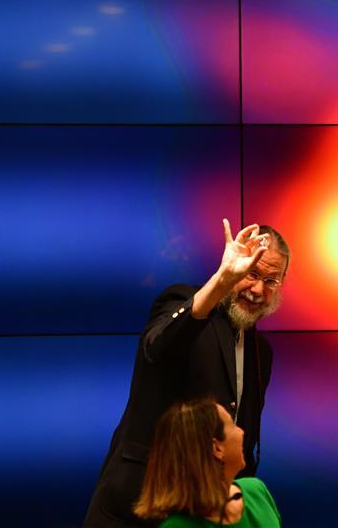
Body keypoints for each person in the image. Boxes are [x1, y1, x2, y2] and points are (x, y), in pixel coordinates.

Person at [85, 220, 289, 528]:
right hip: (141, 502)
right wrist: (221, 282)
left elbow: (242, 438)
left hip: (207, 512)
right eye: (251, 273)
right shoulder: (187, 302)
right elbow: (157, 348)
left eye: (271, 281)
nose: (258, 290)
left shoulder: (261, 352)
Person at [133, 398, 281, 527]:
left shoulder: (257, 492)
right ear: (217, 448)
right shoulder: (177, 526)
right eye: (232, 425)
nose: (242, 432)